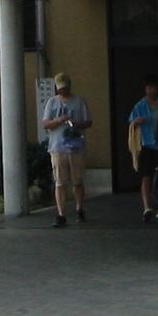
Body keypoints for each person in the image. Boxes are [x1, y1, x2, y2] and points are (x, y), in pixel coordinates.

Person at [42, 72, 92, 227]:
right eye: (60, 88)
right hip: (58, 147)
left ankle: (79, 208)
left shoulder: (79, 101)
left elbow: (88, 121)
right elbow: (46, 123)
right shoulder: (52, 102)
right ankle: (61, 213)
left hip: (75, 146)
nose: (63, 90)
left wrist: (77, 124)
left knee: (77, 180)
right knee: (60, 182)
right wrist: (58, 120)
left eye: (65, 88)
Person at [128, 74, 158, 222]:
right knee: (146, 175)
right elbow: (131, 121)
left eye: (153, 87)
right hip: (146, 143)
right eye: (148, 87)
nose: (151, 90)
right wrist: (137, 121)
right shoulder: (140, 105)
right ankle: (147, 207)